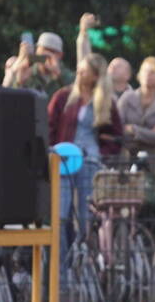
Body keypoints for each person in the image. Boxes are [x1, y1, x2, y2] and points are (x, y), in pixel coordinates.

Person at [47, 53, 123, 264]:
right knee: (60, 215)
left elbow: (116, 136)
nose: (79, 73)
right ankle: (59, 267)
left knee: (85, 216)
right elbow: (49, 125)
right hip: (64, 161)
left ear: (95, 75)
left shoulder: (107, 102)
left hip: (90, 161)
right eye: (79, 69)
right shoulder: (63, 96)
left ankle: (82, 260)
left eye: (84, 70)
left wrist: (104, 155)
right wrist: (52, 150)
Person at [117, 56, 155, 161]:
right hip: (124, 159)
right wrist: (148, 133)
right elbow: (117, 128)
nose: (147, 75)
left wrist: (133, 129)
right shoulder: (127, 97)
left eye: (152, 72)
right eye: (145, 71)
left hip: (151, 160)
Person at [5, 31, 75, 97]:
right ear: (37, 50)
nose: (47, 56)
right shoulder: (26, 70)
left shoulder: (67, 76)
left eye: (52, 52)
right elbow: (9, 97)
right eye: (44, 50)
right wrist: (19, 83)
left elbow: (76, 97)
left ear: (60, 55)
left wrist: (59, 76)